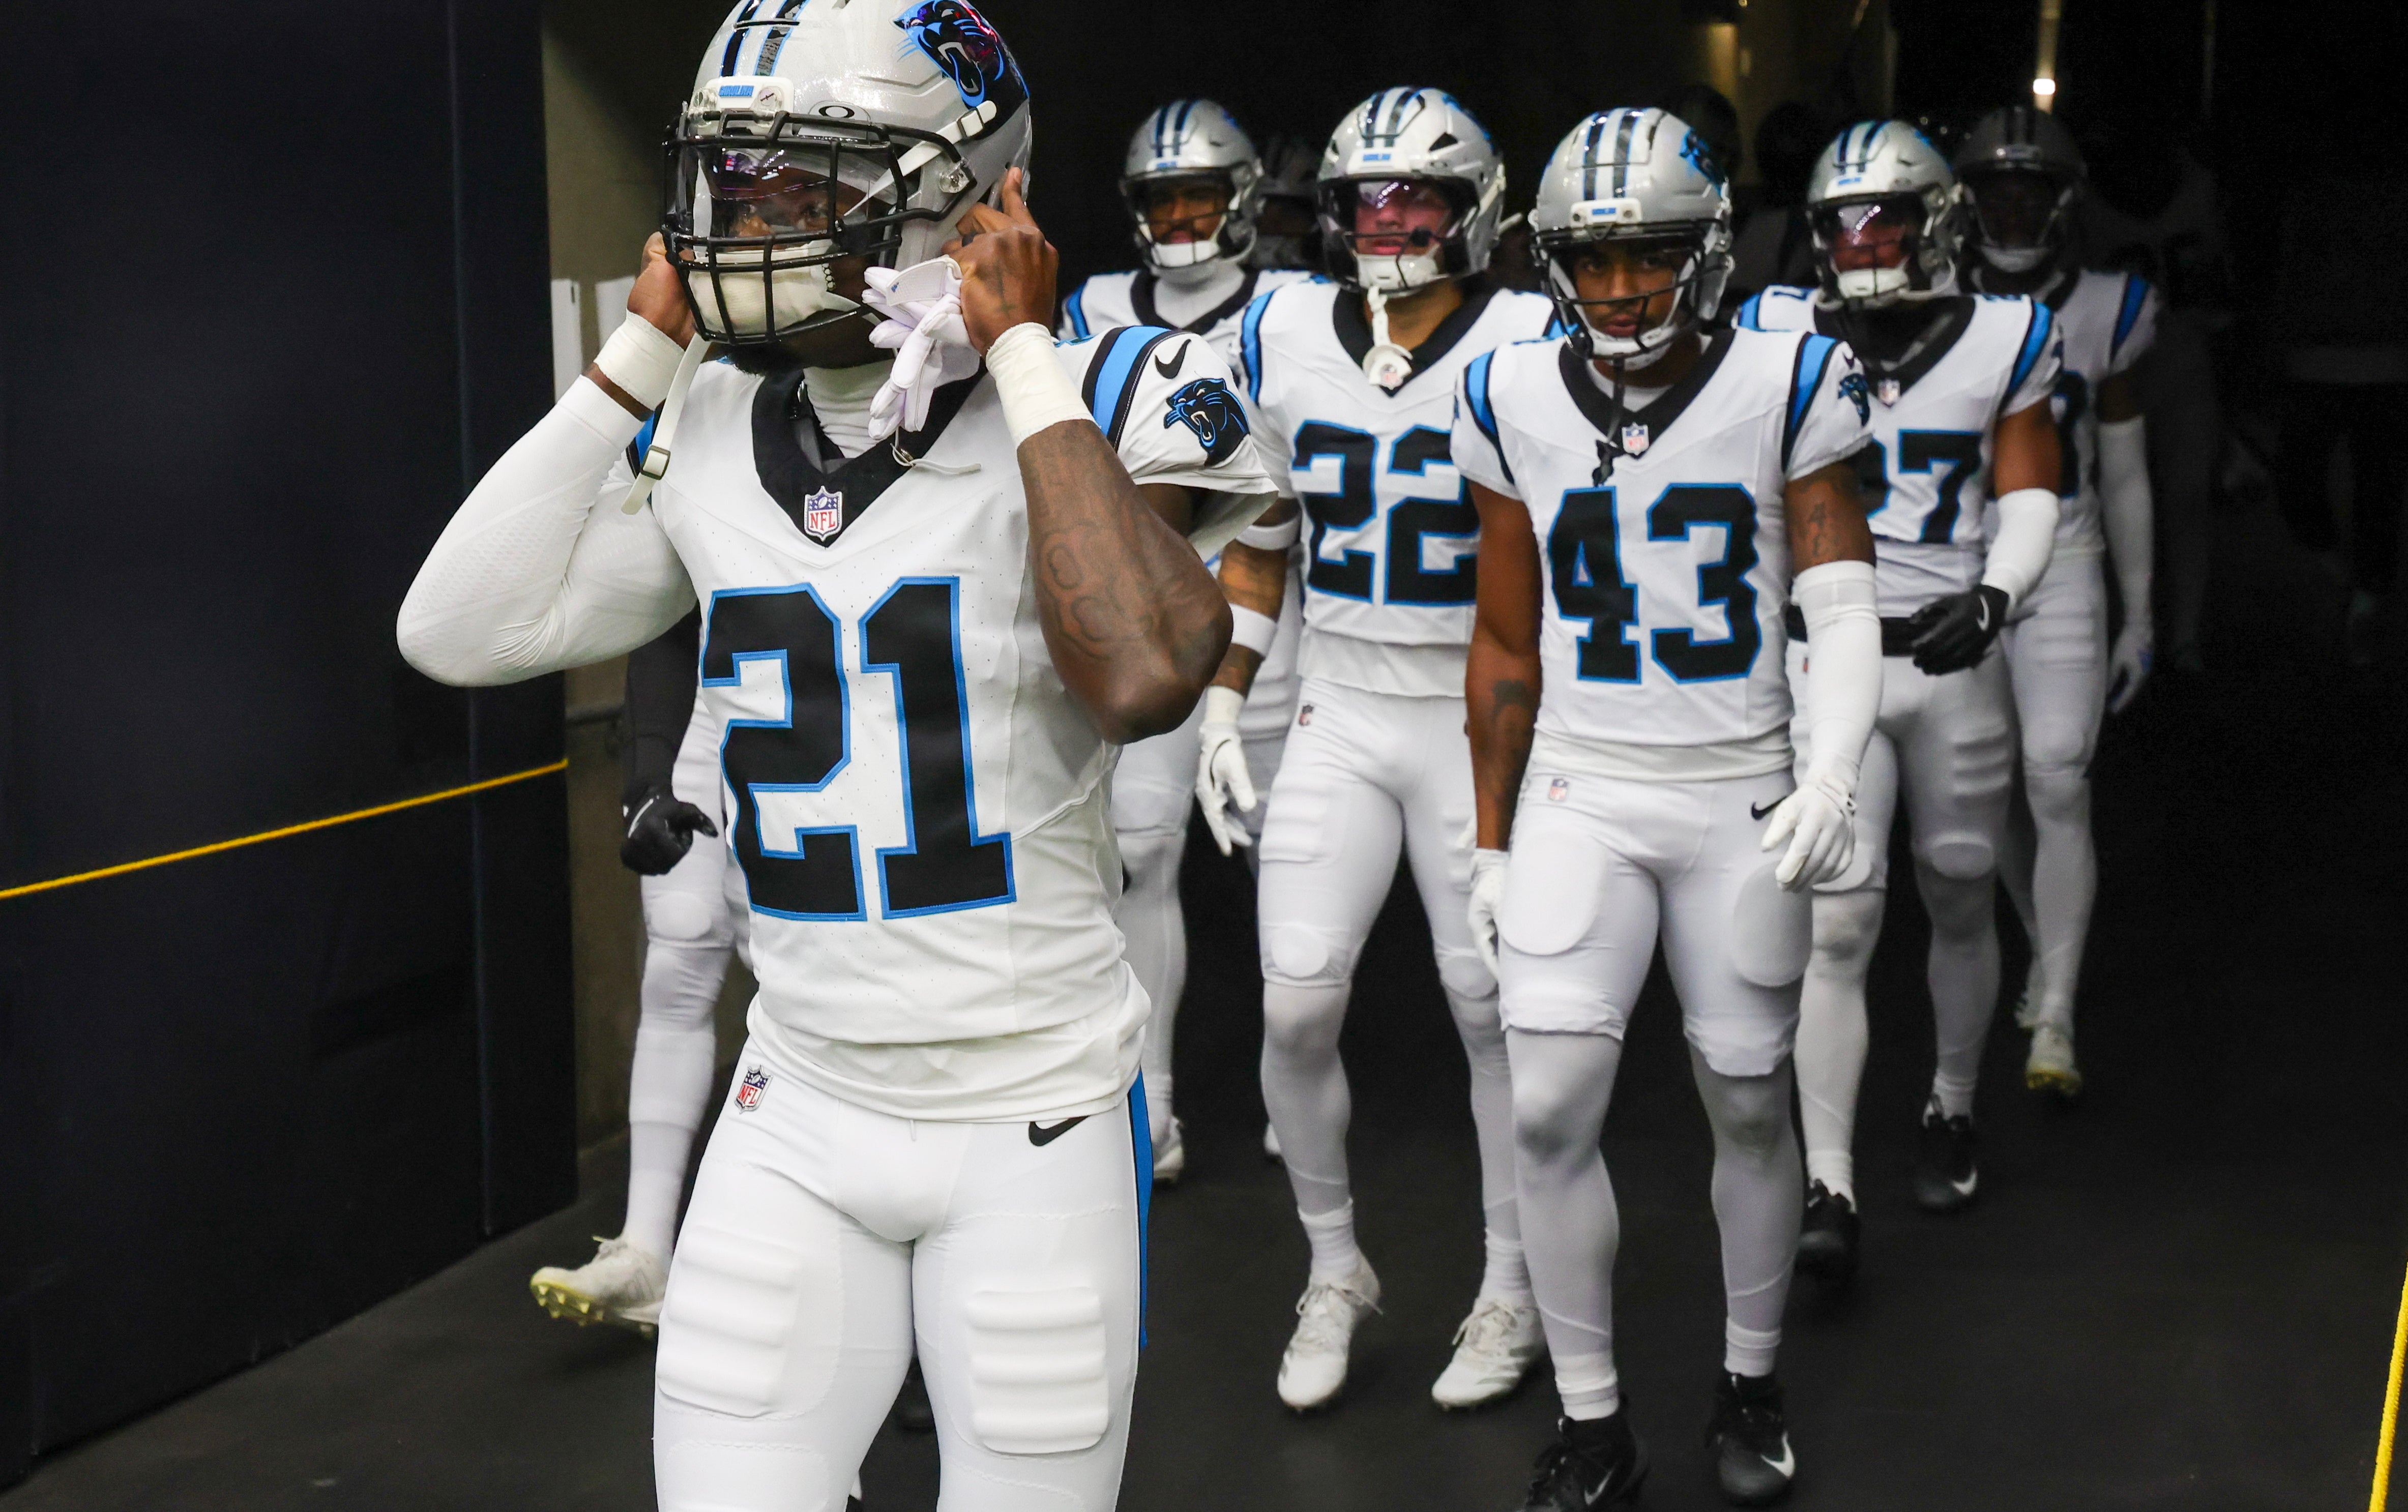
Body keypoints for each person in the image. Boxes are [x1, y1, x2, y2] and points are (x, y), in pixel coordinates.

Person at [395, 3, 1275, 1504]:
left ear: (969, 197)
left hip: (1034, 1107)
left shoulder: (1116, 385)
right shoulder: (719, 423)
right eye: (726, 184)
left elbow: (1141, 670)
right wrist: (638, 345)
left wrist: (1025, 357)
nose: (743, 228)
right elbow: (457, 627)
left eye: (792, 187)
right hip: (793, 1098)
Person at [1459, 107, 1881, 1508]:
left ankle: (1748, 1377)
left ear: (1702, 255)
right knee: (1546, 1106)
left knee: (1748, 1102)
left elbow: (1835, 593)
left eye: (1645, 256)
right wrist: (1490, 830)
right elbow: (1505, 636)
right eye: (1591, 260)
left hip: (1732, 786)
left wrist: (1825, 768)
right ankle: (1594, 1421)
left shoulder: (1787, 374)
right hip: (1582, 781)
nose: (1619, 287)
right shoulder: (1507, 389)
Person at [1202, 86, 1561, 1413]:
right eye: (1364, 199)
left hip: (1472, 708)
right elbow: (1260, 527)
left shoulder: (1528, 334)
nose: (1387, 220)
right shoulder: (1285, 327)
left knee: (1491, 1012)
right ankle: (1332, 1265)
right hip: (1338, 705)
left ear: (1473, 208)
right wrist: (1219, 694)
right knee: (1294, 1000)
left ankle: (1511, 1284)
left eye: (1413, 196)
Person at [1737, 120, 2062, 1279]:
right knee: (1839, 918)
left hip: (1948, 654)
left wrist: (1999, 591)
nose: (1864, 243)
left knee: (1965, 888)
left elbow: (2028, 488)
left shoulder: (2006, 334)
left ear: (1943, 225)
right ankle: (1830, 1179)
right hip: (1828, 660)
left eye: (1888, 220)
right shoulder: (1774, 329)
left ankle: (1952, 1100)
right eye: (1843, 224)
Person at [1058, 101, 1313, 1181]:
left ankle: (1294, 1080)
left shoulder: (1299, 311)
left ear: (1244, 198)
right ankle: (1153, 1097)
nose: (1182, 215)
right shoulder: (1093, 308)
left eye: (1200, 194)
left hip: (1272, 615)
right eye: (1163, 198)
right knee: (1147, 850)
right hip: (1161, 608)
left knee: (1290, 873)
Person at [1956, 105, 2161, 1096]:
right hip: (1960, 565)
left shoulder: (2107, 305)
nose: (2009, 205)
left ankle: (2060, 1014)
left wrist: (2143, 610)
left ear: (2063, 200)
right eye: (1994, 187)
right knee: (1986, 790)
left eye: (2029, 188)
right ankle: (2047, 950)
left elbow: (2123, 472)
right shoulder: (1929, 298)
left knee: (2058, 773)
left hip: (2065, 559)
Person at [528, 612, 745, 1331]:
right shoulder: (681, 491)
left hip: (828, 699)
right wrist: (645, 776)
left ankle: (894, 1289)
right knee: (679, 951)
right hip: (711, 701)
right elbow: (664, 612)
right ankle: (646, 1246)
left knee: (811, 978)